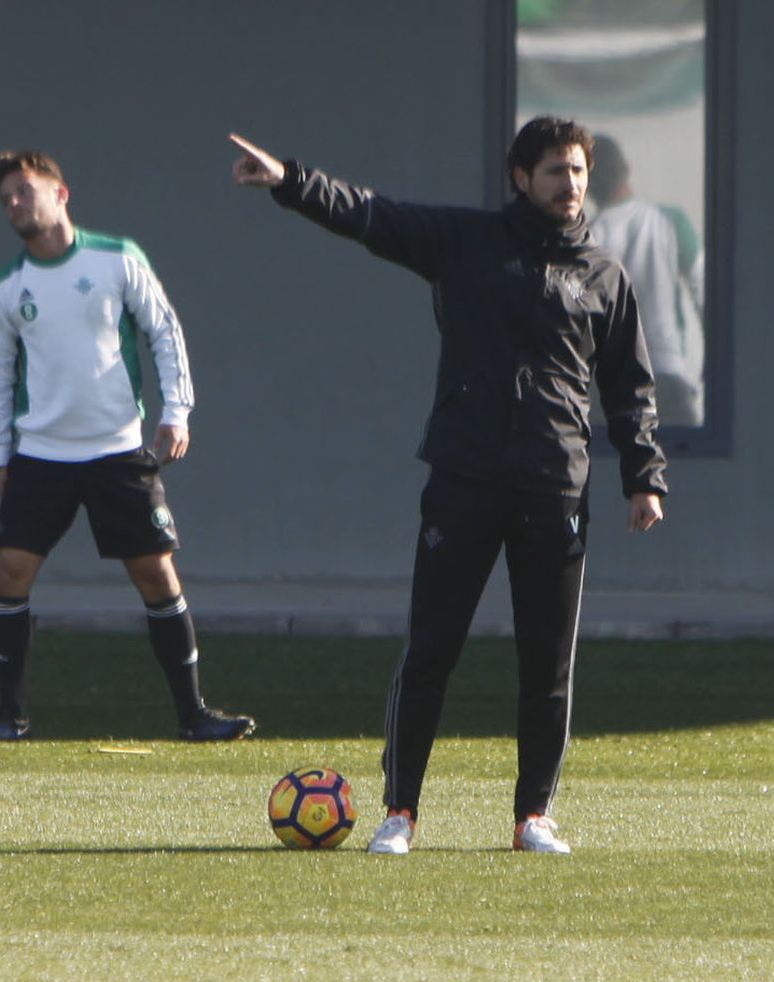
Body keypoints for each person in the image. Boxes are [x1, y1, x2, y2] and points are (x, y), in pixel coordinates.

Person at [228, 117, 668, 854]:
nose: (571, 184)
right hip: (465, 479)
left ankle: (534, 817)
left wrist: (644, 475)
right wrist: (291, 182)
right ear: (521, 178)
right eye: (555, 171)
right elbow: (373, 216)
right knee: (430, 651)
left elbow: (631, 388)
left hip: (555, 486)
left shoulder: (604, 276)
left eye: (579, 171)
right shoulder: (468, 242)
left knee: (548, 666)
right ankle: (400, 812)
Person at [0, 149, 254, 743]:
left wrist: (177, 412)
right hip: (40, 455)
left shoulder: (117, 259)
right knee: (9, 571)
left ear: (60, 194)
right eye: (6, 198)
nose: (14, 204)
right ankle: (10, 716)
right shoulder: (5, 289)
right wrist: (1, 454)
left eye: (24, 191)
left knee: (156, 574)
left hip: (117, 451)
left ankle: (194, 715)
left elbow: (164, 330)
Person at [588, 135, 703, 426]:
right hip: (664, 375)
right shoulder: (669, 221)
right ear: (627, 168)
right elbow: (706, 291)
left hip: (607, 386)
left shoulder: (582, 241)